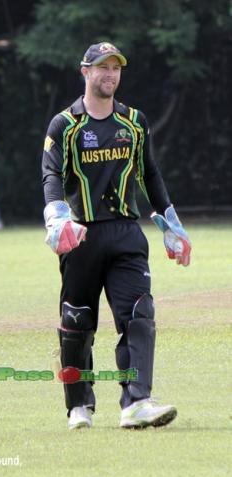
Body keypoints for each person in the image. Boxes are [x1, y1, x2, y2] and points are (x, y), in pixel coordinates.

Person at [42, 42, 191, 430]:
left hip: (127, 234)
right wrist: (56, 218)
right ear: (85, 71)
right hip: (81, 237)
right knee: (76, 324)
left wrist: (171, 226)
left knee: (140, 315)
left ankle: (136, 402)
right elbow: (51, 175)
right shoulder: (65, 125)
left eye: (116, 68)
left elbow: (150, 173)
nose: (110, 74)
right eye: (102, 67)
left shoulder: (134, 122)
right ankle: (79, 407)